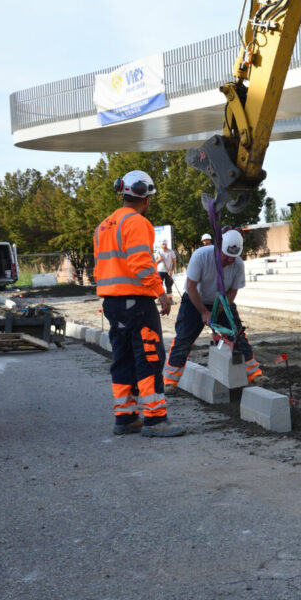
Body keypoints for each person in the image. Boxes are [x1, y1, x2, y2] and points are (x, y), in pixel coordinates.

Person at [93, 170, 184, 438]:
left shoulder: (103, 226)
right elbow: (140, 264)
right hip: (136, 302)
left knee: (122, 359)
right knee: (149, 357)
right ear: (145, 197)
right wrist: (161, 293)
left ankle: (125, 417)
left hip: (112, 302)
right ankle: (155, 420)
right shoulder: (137, 222)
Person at [161, 229, 263, 389]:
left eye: (233, 257)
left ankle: (254, 373)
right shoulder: (201, 256)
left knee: (238, 335)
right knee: (184, 339)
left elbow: (233, 292)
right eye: (226, 256)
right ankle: (169, 380)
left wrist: (218, 312)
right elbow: (192, 287)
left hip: (222, 302)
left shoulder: (237, 264)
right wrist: (203, 312)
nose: (229, 260)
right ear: (219, 248)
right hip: (195, 301)